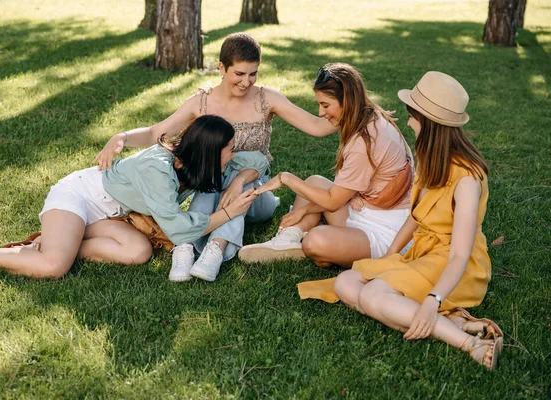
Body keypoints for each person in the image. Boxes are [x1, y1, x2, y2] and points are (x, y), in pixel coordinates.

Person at [94, 33, 337, 282]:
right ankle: (187, 249)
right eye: (239, 74)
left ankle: (212, 250)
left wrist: (360, 110)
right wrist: (122, 136)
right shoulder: (201, 102)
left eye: (253, 74)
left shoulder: (266, 99)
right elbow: (157, 132)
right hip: (213, 186)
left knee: (226, 176)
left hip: (253, 189)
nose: (247, 82)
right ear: (222, 68)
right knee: (212, 178)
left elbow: (318, 127)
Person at [0, 116, 265, 279]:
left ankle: (60, 241)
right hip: (79, 197)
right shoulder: (158, 167)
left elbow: (259, 161)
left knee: (138, 252)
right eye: (229, 149)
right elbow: (178, 230)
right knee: (53, 267)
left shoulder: (197, 161)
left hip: (111, 215)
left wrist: (237, 181)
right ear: (209, 151)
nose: (234, 153)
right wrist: (227, 213)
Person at [333, 71, 502, 370]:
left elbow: (460, 254)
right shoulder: (429, 157)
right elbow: (414, 218)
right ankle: (453, 322)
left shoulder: (467, 179)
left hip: (458, 266)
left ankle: (470, 343)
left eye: (413, 114)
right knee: (346, 282)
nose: (408, 122)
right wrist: (387, 260)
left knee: (372, 296)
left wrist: (433, 299)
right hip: (424, 253)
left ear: (430, 122)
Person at [238, 63, 413, 268]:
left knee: (315, 242)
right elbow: (341, 196)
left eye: (326, 105)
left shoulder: (366, 141)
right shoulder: (369, 118)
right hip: (364, 210)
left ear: (346, 101)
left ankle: (311, 243)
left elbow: (332, 202)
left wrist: (287, 179)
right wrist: (306, 209)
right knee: (313, 183)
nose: (321, 113)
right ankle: (288, 240)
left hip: (388, 232)